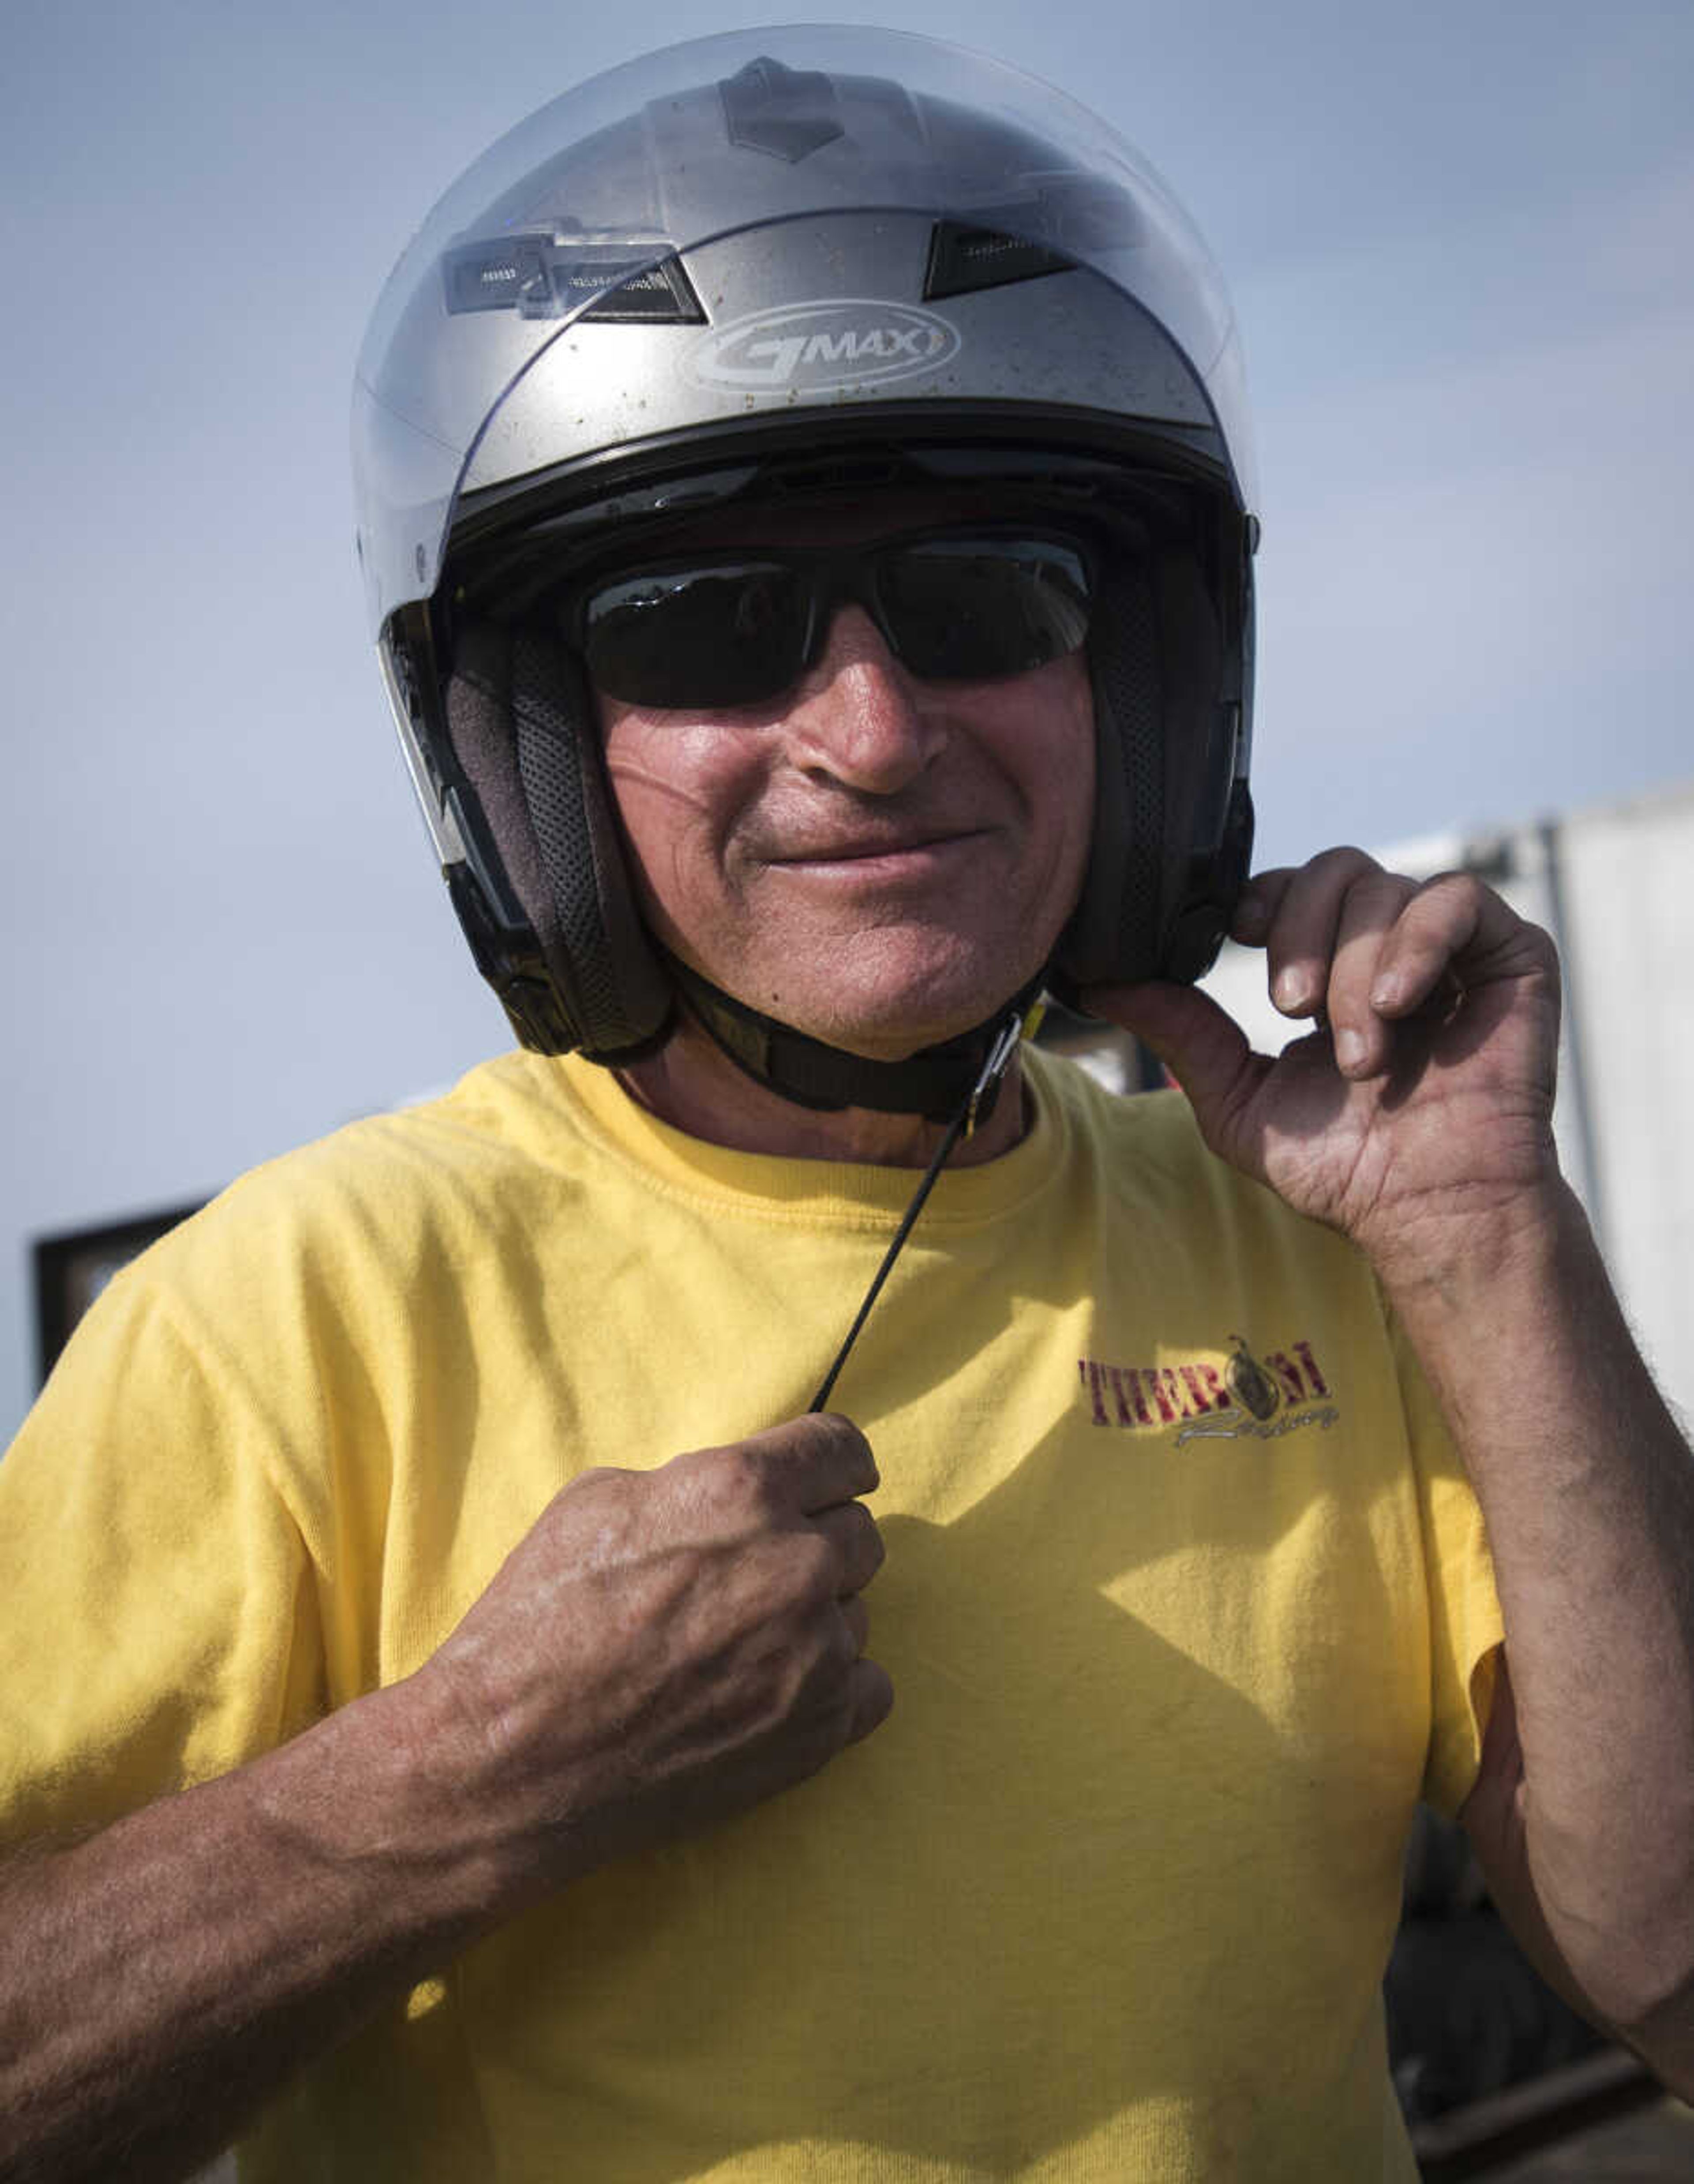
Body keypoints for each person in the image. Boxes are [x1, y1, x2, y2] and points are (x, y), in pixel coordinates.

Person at [3, 26, 1691, 2183]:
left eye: (995, 600)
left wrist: (1489, 1241)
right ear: (531, 751)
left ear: (1143, 684)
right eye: (712, 629)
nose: (876, 732)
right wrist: (439, 1790)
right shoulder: (289, 1315)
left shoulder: (1335, 1248)